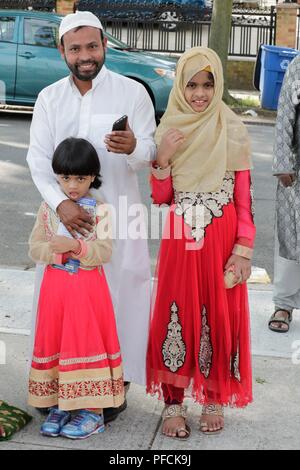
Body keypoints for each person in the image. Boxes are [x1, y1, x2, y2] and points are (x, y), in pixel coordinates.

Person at [26, 11, 156, 421]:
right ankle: (62, 386)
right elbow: (37, 159)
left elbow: (148, 154)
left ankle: (113, 387)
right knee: (66, 303)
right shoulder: (49, 98)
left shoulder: (132, 92)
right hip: (63, 219)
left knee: (120, 298)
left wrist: (134, 146)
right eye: (76, 48)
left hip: (119, 215)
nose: (86, 55)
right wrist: (59, 204)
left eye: (93, 46)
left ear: (104, 45)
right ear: (62, 50)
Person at [146, 47, 255, 438]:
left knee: (217, 312)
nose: (200, 94)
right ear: (179, 86)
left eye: (208, 85)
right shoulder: (169, 129)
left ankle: (213, 395)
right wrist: (163, 157)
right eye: (191, 85)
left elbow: (244, 200)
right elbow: (160, 198)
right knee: (177, 312)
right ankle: (173, 402)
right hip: (179, 238)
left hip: (222, 239)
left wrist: (243, 251)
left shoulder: (232, 127)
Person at [28, 137, 124, 439]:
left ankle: (93, 412)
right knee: (57, 341)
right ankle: (61, 404)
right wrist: (56, 253)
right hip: (54, 291)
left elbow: (104, 252)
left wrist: (76, 247)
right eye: (65, 177)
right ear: (56, 175)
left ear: (93, 176)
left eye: (80, 178)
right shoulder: (49, 208)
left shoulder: (103, 210)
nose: (72, 185)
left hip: (87, 292)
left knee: (85, 343)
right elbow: (34, 249)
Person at [268, 55, 300, 333]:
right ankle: (284, 304)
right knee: (290, 237)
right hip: (298, 169)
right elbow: (285, 115)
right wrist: (283, 163)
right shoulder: (298, 66)